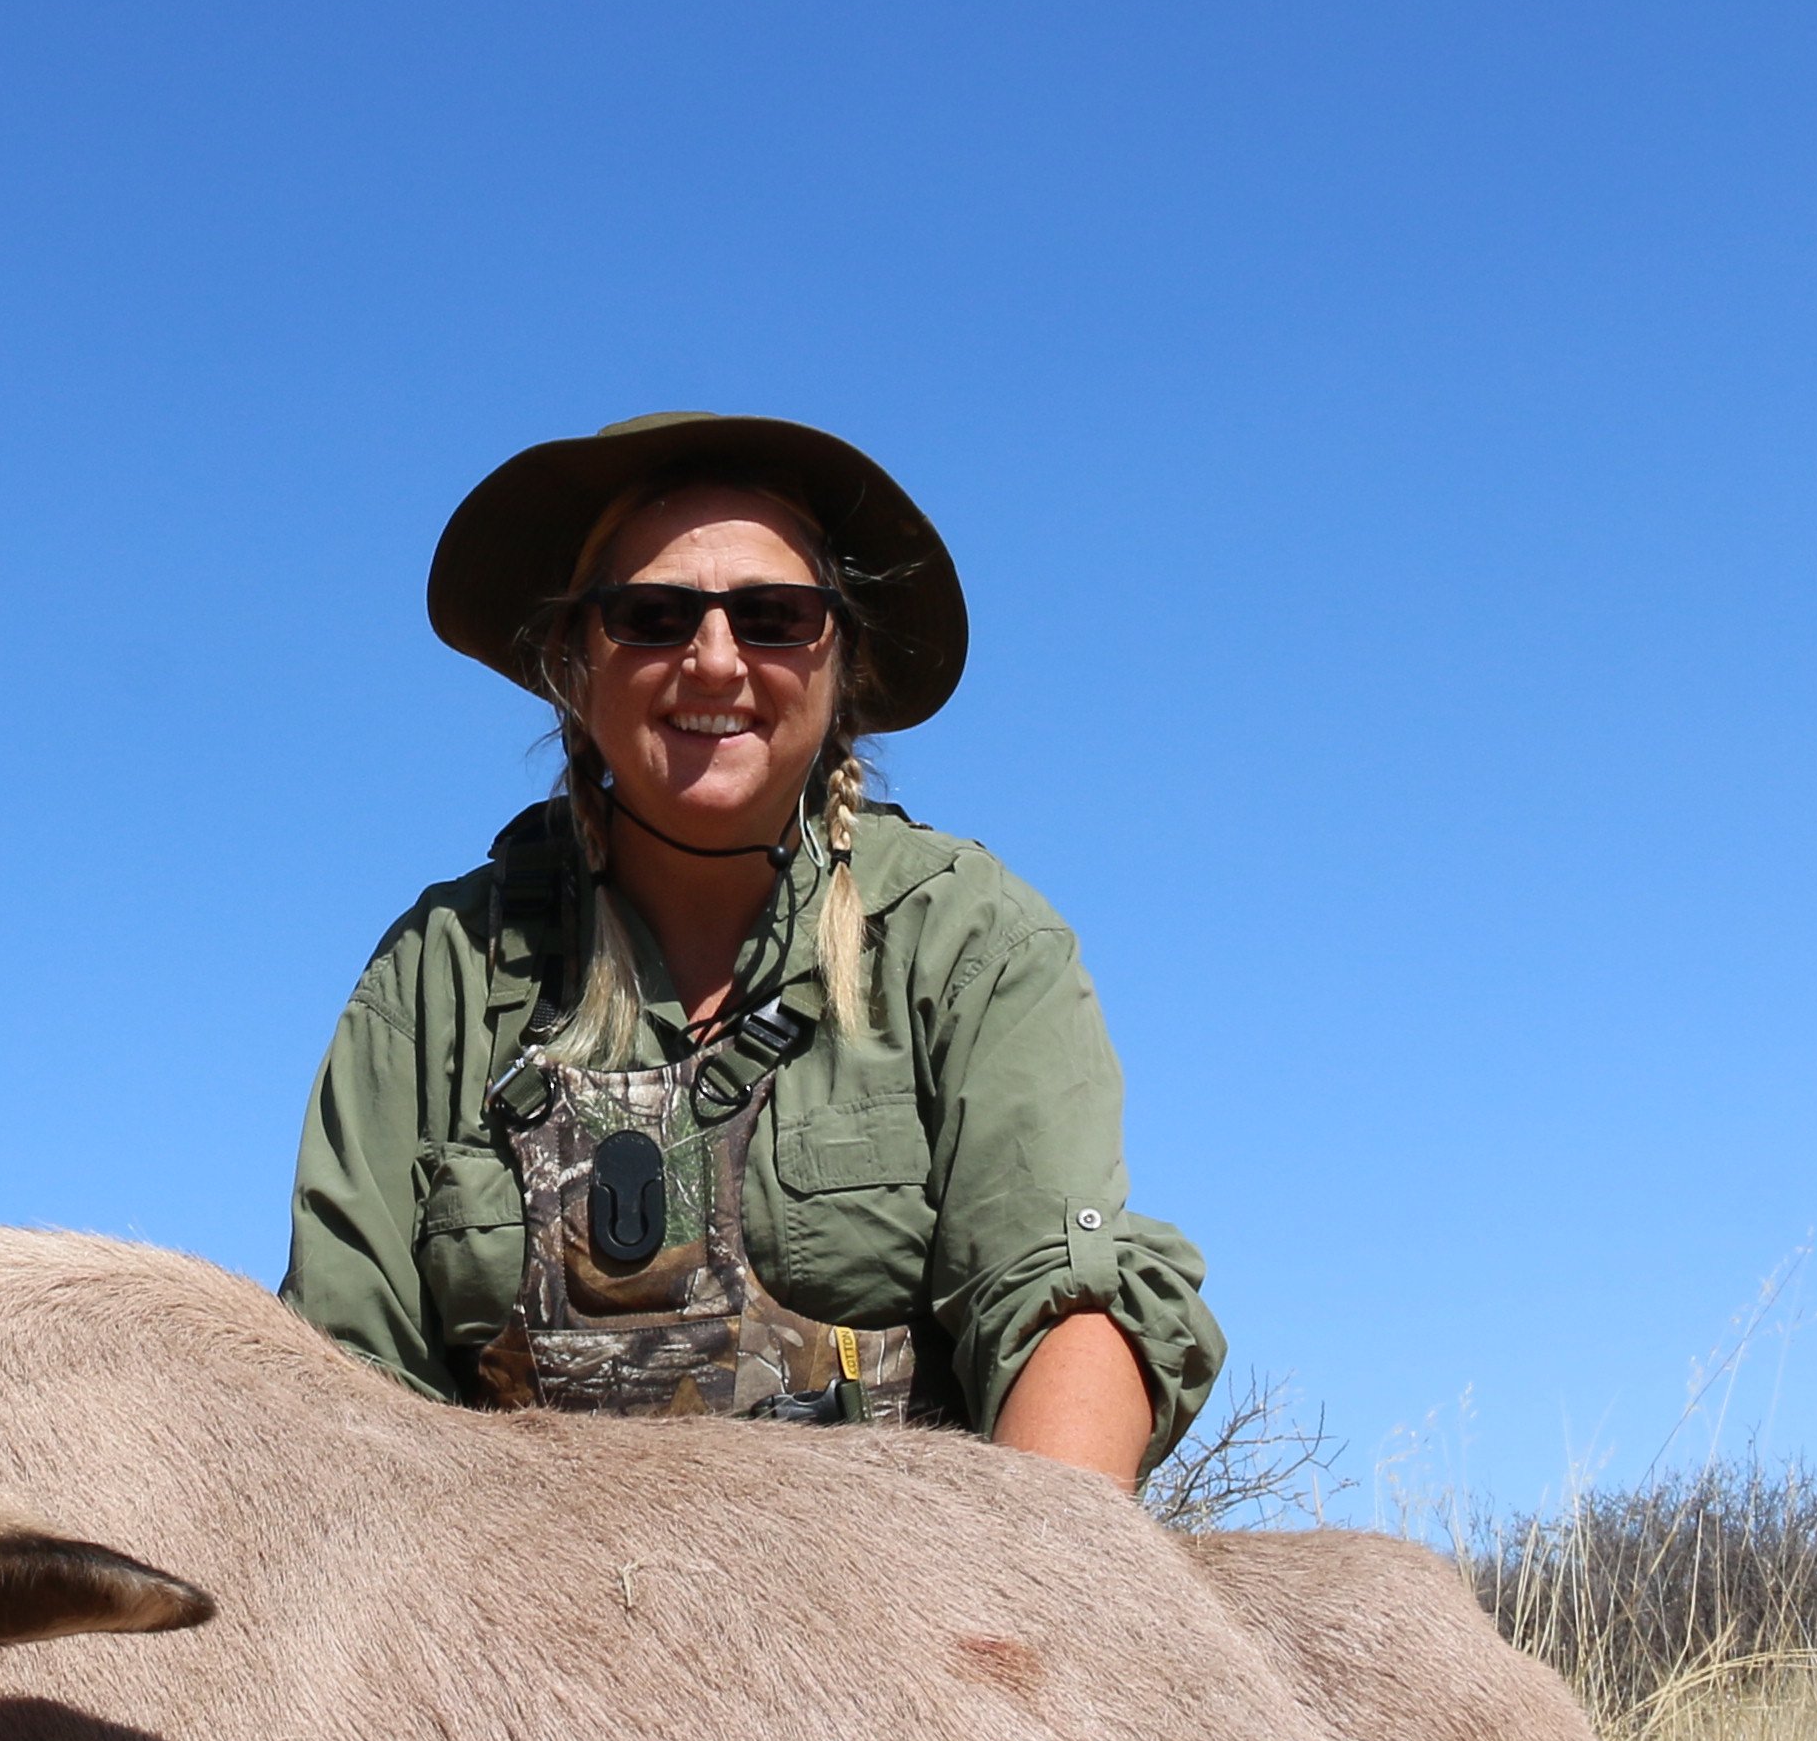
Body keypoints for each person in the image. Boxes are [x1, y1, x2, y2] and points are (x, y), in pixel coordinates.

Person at [284, 411, 1225, 1481]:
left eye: (775, 618)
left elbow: (1065, 1306)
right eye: (653, 617)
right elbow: (339, 1389)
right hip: (503, 1632)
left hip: (899, 1621)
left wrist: (1029, 1626)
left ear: (842, 664)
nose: (716, 662)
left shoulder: (970, 942)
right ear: (572, 664)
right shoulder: (441, 972)